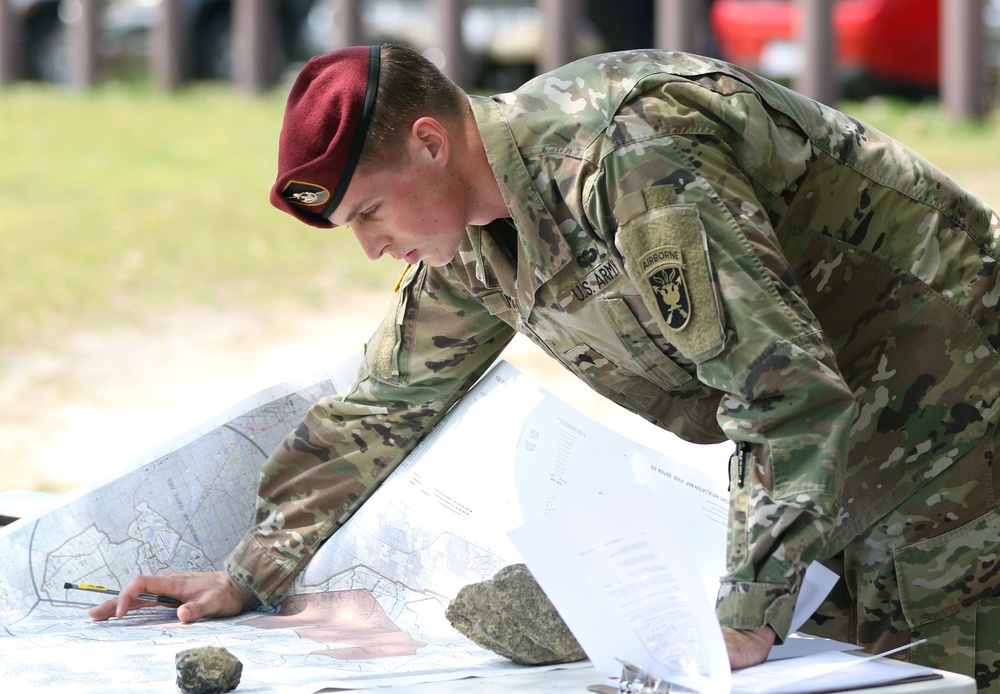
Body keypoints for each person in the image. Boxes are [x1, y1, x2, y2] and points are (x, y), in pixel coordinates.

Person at [88, 43, 1000, 686]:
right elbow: (383, 405)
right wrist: (251, 569)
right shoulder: (470, 238)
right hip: (844, 458)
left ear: (430, 144)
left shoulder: (625, 157)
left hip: (958, 411)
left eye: (368, 212)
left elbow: (784, 392)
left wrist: (748, 610)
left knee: (943, 665)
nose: (370, 247)